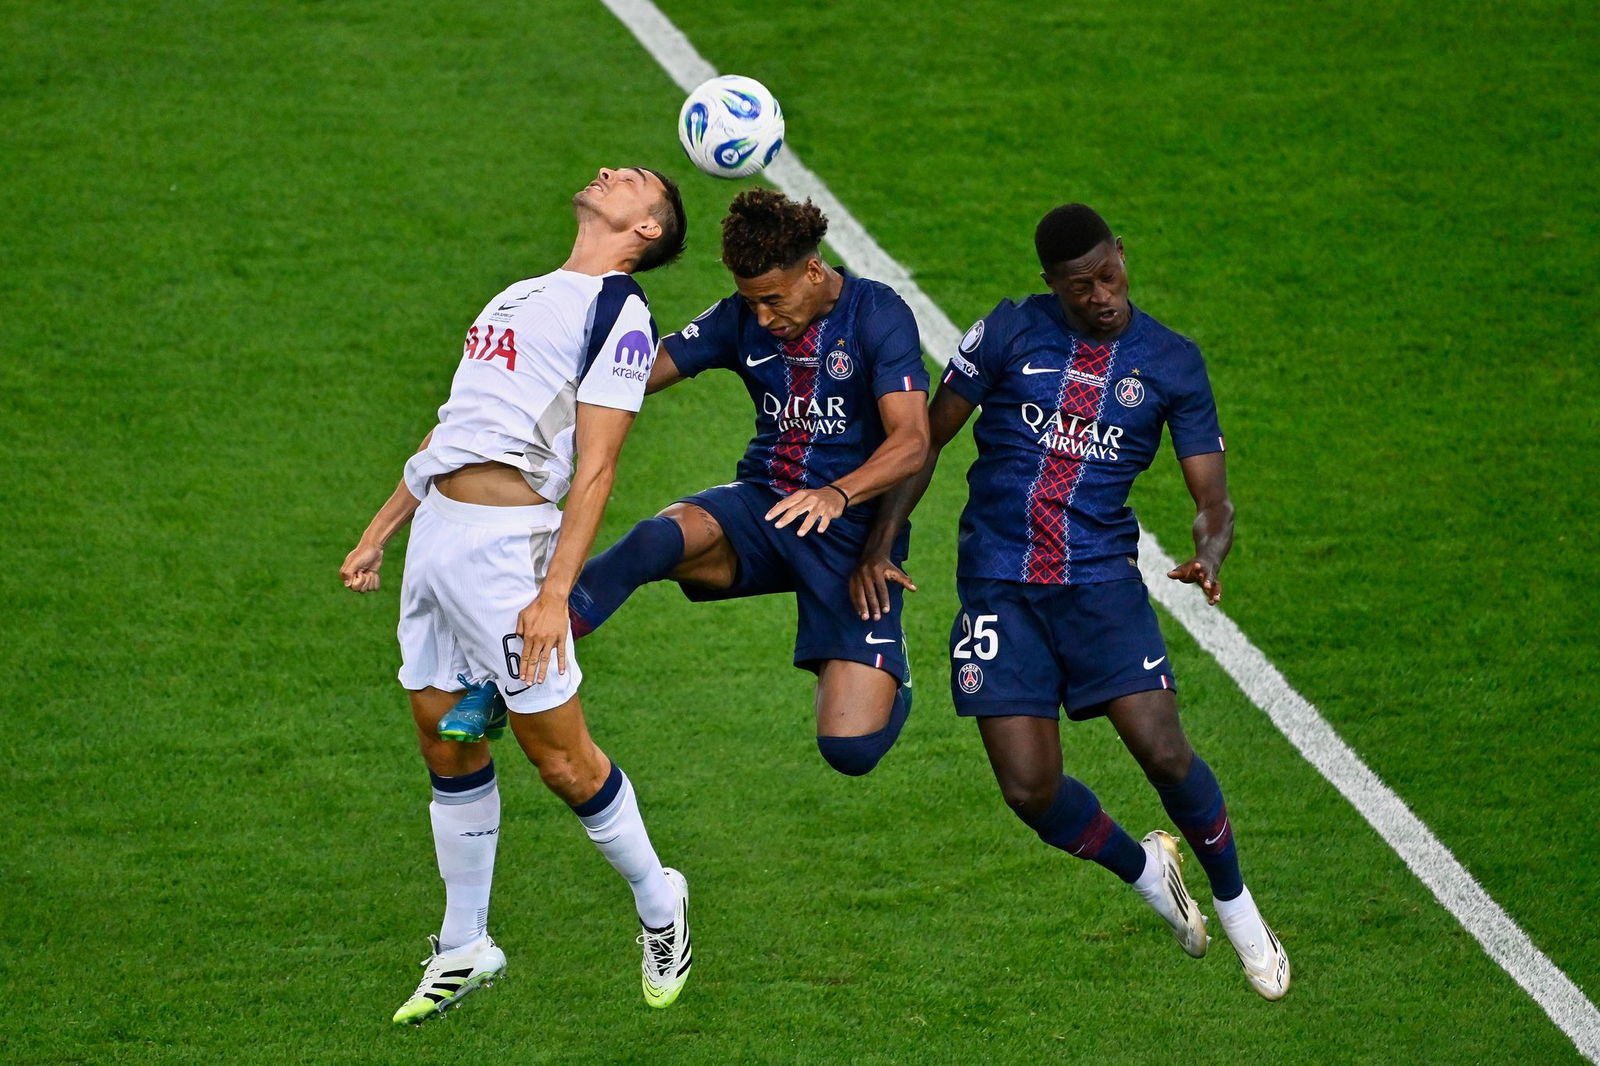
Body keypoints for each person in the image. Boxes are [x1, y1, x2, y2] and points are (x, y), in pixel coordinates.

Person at [853, 203, 1290, 1000]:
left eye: (1109, 275)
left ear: (1123, 256)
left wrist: (1210, 550)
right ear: (1051, 283)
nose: (1101, 295)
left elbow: (1211, 497)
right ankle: (1145, 867)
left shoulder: (1170, 362)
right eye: (1079, 285)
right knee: (1027, 789)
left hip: (1098, 586)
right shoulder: (1010, 334)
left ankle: (1236, 902)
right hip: (998, 586)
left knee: (1162, 752)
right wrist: (882, 538)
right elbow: (925, 441)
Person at [339, 166, 695, 1023]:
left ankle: (660, 900)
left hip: (510, 554)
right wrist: (382, 528)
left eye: (633, 180)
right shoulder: (518, 293)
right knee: (440, 735)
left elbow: (600, 463)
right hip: (437, 540)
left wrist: (553, 593)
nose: (609, 172)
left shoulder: (621, 313)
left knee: (561, 759)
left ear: (647, 229)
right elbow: (450, 428)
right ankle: (466, 945)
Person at [563, 189, 929, 777]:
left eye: (773, 300)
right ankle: (520, 662)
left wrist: (836, 494)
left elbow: (913, 440)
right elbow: (642, 373)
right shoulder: (741, 315)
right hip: (765, 510)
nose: (762, 317)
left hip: (851, 538)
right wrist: (577, 351)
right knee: (653, 541)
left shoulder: (878, 313)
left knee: (851, 751)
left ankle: (892, 675)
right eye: (750, 302)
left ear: (814, 270)